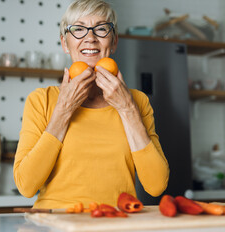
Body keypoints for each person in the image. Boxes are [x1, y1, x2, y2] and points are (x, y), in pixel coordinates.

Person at [13, 0, 169, 209]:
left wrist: (127, 109)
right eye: (78, 29)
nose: (90, 38)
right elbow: (26, 186)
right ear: (65, 43)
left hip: (114, 223)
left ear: (113, 43)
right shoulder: (42, 100)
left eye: (101, 29)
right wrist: (64, 110)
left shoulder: (137, 102)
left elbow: (156, 185)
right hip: (55, 226)